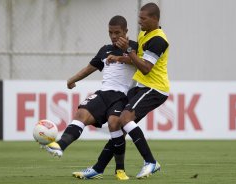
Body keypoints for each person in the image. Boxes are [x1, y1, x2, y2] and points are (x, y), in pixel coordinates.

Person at [73, 2, 170, 179]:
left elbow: (146, 68)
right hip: (141, 87)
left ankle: (151, 161)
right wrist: (119, 57)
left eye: (143, 18)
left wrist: (128, 50)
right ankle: (98, 168)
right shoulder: (145, 34)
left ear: (155, 19)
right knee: (118, 126)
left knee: (124, 119)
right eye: (139, 17)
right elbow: (135, 59)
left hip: (154, 88)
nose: (139, 21)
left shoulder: (158, 40)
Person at [41, 15, 137, 180]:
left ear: (126, 31)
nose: (113, 36)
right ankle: (60, 145)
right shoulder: (104, 49)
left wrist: (126, 52)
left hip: (121, 96)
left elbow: (141, 64)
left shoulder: (134, 47)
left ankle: (120, 169)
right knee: (81, 114)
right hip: (103, 94)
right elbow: (89, 68)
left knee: (115, 124)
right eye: (110, 32)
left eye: (117, 32)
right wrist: (72, 79)